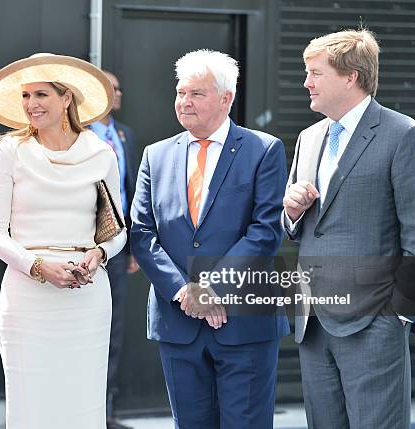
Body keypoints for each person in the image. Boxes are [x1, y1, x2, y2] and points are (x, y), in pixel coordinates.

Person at [283, 29, 415, 428]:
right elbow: (299, 227)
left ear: (350, 76)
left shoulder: (405, 135)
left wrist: (400, 316)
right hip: (312, 321)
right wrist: (293, 212)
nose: (306, 83)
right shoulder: (309, 137)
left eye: (315, 73)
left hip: (374, 323)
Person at [131, 49, 289, 429]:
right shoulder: (156, 155)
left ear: (226, 98)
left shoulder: (263, 150)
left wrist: (211, 288)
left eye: (196, 94)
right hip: (178, 320)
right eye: (181, 92)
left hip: (244, 323)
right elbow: (141, 232)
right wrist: (184, 291)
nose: (184, 102)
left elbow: (266, 231)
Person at [0, 53, 127, 429]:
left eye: (41, 94)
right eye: (26, 96)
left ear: (67, 99)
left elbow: (117, 230)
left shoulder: (100, 153)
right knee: (31, 408)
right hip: (27, 297)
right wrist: (38, 266)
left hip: (88, 298)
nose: (31, 104)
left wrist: (100, 254)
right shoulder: (10, 153)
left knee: (83, 405)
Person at [88, 70, 139, 428]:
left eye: (120, 88)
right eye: (112, 88)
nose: (118, 94)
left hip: (118, 247)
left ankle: (104, 412)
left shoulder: (125, 135)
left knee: (113, 328)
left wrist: (133, 245)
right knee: (85, 327)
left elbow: (131, 192)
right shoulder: (79, 135)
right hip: (83, 246)